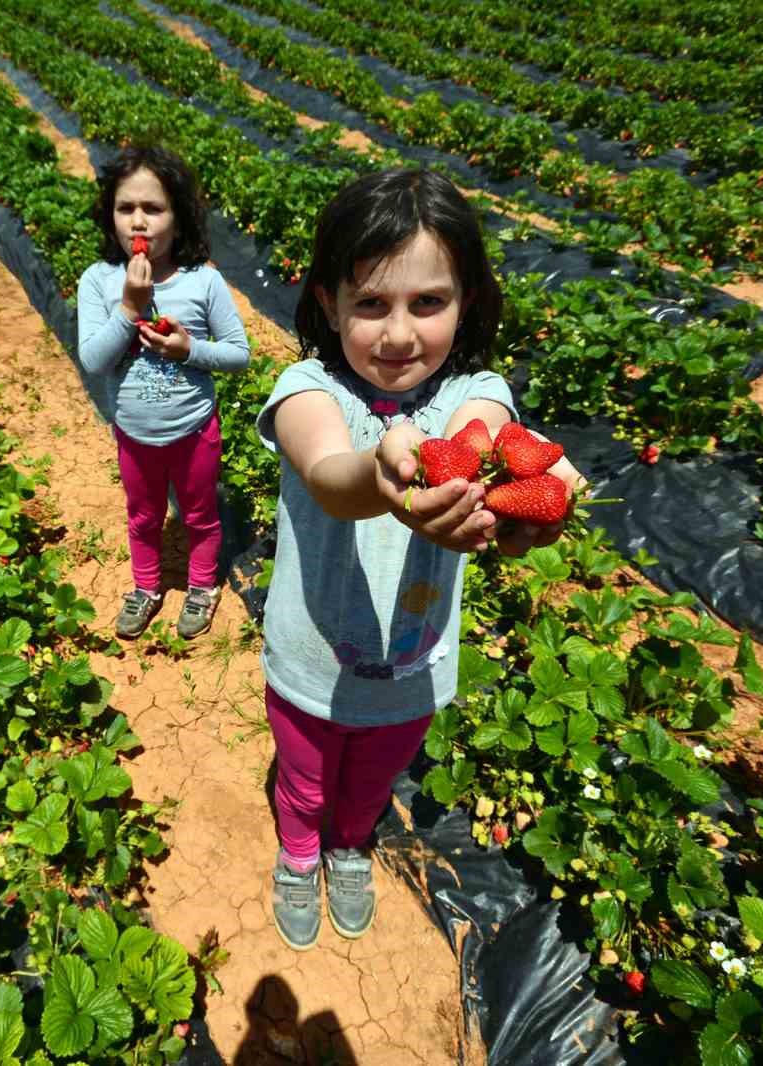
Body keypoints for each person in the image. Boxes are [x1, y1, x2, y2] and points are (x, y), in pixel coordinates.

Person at [256, 169, 581, 949]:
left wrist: (544, 497)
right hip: (310, 660)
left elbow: (493, 438)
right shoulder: (308, 391)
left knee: (371, 779)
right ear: (328, 302)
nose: (399, 333)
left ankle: (348, 846)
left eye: (427, 303)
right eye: (371, 304)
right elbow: (332, 478)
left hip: (415, 666)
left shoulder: (474, 395)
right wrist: (382, 471)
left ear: (465, 301)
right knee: (303, 779)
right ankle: (300, 852)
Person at [78, 146, 250, 641]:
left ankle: (201, 585)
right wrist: (129, 309)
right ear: (109, 215)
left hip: (194, 430)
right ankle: (147, 587)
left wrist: (188, 349)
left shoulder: (204, 282)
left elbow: (239, 354)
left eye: (153, 209)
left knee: (199, 514)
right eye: (125, 208)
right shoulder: (99, 281)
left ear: (179, 219)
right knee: (143, 515)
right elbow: (93, 360)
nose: (138, 222)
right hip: (133, 433)